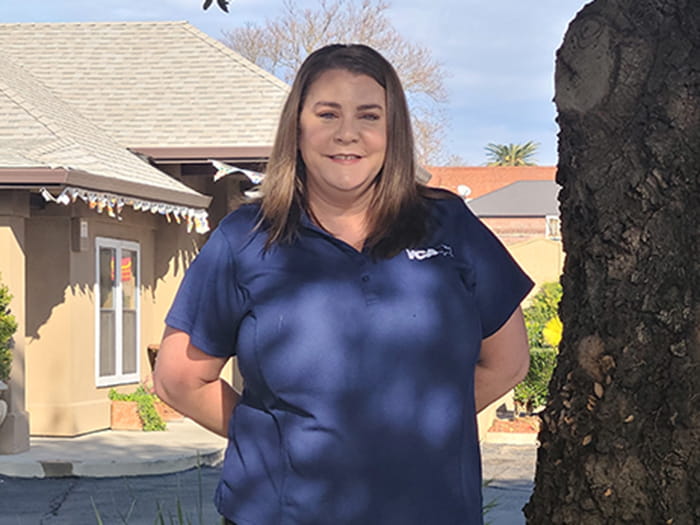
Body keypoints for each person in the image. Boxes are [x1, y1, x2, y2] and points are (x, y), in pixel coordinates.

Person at [154, 43, 533, 525]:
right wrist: (277, 443)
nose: (347, 133)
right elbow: (180, 378)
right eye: (327, 114)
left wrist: (409, 435)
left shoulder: (449, 224)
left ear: (393, 132)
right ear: (297, 127)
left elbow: (506, 363)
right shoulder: (246, 238)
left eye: (369, 116)